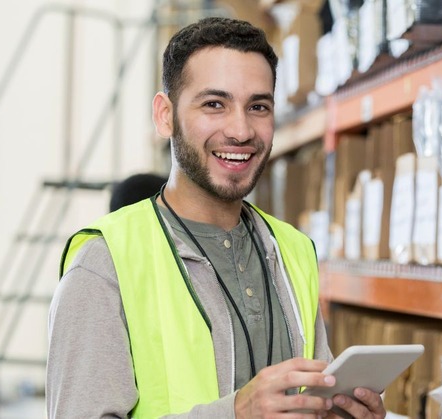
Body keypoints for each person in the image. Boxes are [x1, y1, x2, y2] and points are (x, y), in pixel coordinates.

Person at [47, 17, 386, 418]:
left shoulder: (293, 251)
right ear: (165, 115)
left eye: (258, 106)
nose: (241, 130)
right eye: (214, 104)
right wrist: (234, 413)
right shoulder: (105, 264)